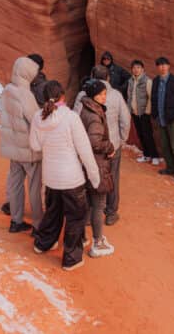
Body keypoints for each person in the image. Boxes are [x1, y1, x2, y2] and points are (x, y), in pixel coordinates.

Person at [30, 80, 102, 271]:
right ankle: (71, 258)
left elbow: (35, 146)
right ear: (63, 95)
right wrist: (95, 177)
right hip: (71, 178)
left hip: (50, 177)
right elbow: (84, 150)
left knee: (53, 212)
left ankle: (43, 243)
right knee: (76, 217)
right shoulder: (70, 117)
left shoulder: (38, 117)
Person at [72, 66, 130, 226]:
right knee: (112, 177)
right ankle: (111, 212)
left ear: (92, 76)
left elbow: (76, 118)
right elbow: (125, 120)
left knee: (90, 176)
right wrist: (121, 140)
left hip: (90, 146)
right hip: (112, 145)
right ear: (108, 78)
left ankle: (91, 214)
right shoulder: (117, 95)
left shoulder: (83, 95)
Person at [0, 57, 43, 233]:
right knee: (34, 186)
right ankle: (38, 224)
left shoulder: (8, 90)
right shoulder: (25, 94)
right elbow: (35, 120)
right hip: (28, 149)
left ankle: (16, 220)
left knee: (15, 184)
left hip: (12, 146)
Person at [77, 80, 116, 258]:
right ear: (93, 95)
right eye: (100, 94)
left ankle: (82, 237)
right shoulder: (94, 115)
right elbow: (95, 142)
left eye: (104, 94)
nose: (103, 97)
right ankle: (98, 241)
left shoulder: (85, 108)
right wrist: (109, 146)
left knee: (86, 202)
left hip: (85, 163)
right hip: (97, 164)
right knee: (99, 204)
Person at [152, 56, 174, 183]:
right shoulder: (156, 81)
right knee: (165, 146)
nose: (162, 67)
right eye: (160, 65)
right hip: (160, 119)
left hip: (172, 120)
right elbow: (153, 98)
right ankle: (170, 168)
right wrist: (155, 114)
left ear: (169, 66)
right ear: (157, 67)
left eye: (164, 65)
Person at [125, 59, 160, 165]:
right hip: (135, 112)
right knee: (140, 134)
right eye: (134, 68)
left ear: (143, 69)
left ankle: (154, 156)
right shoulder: (131, 81)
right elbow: (129, 96)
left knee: (147, 134)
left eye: (138, 68)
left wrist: (147, 111)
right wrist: (129, 109)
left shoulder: (147, 81)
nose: (136, 70)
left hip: (144, 113)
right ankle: (146, 155)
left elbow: (151, 97)